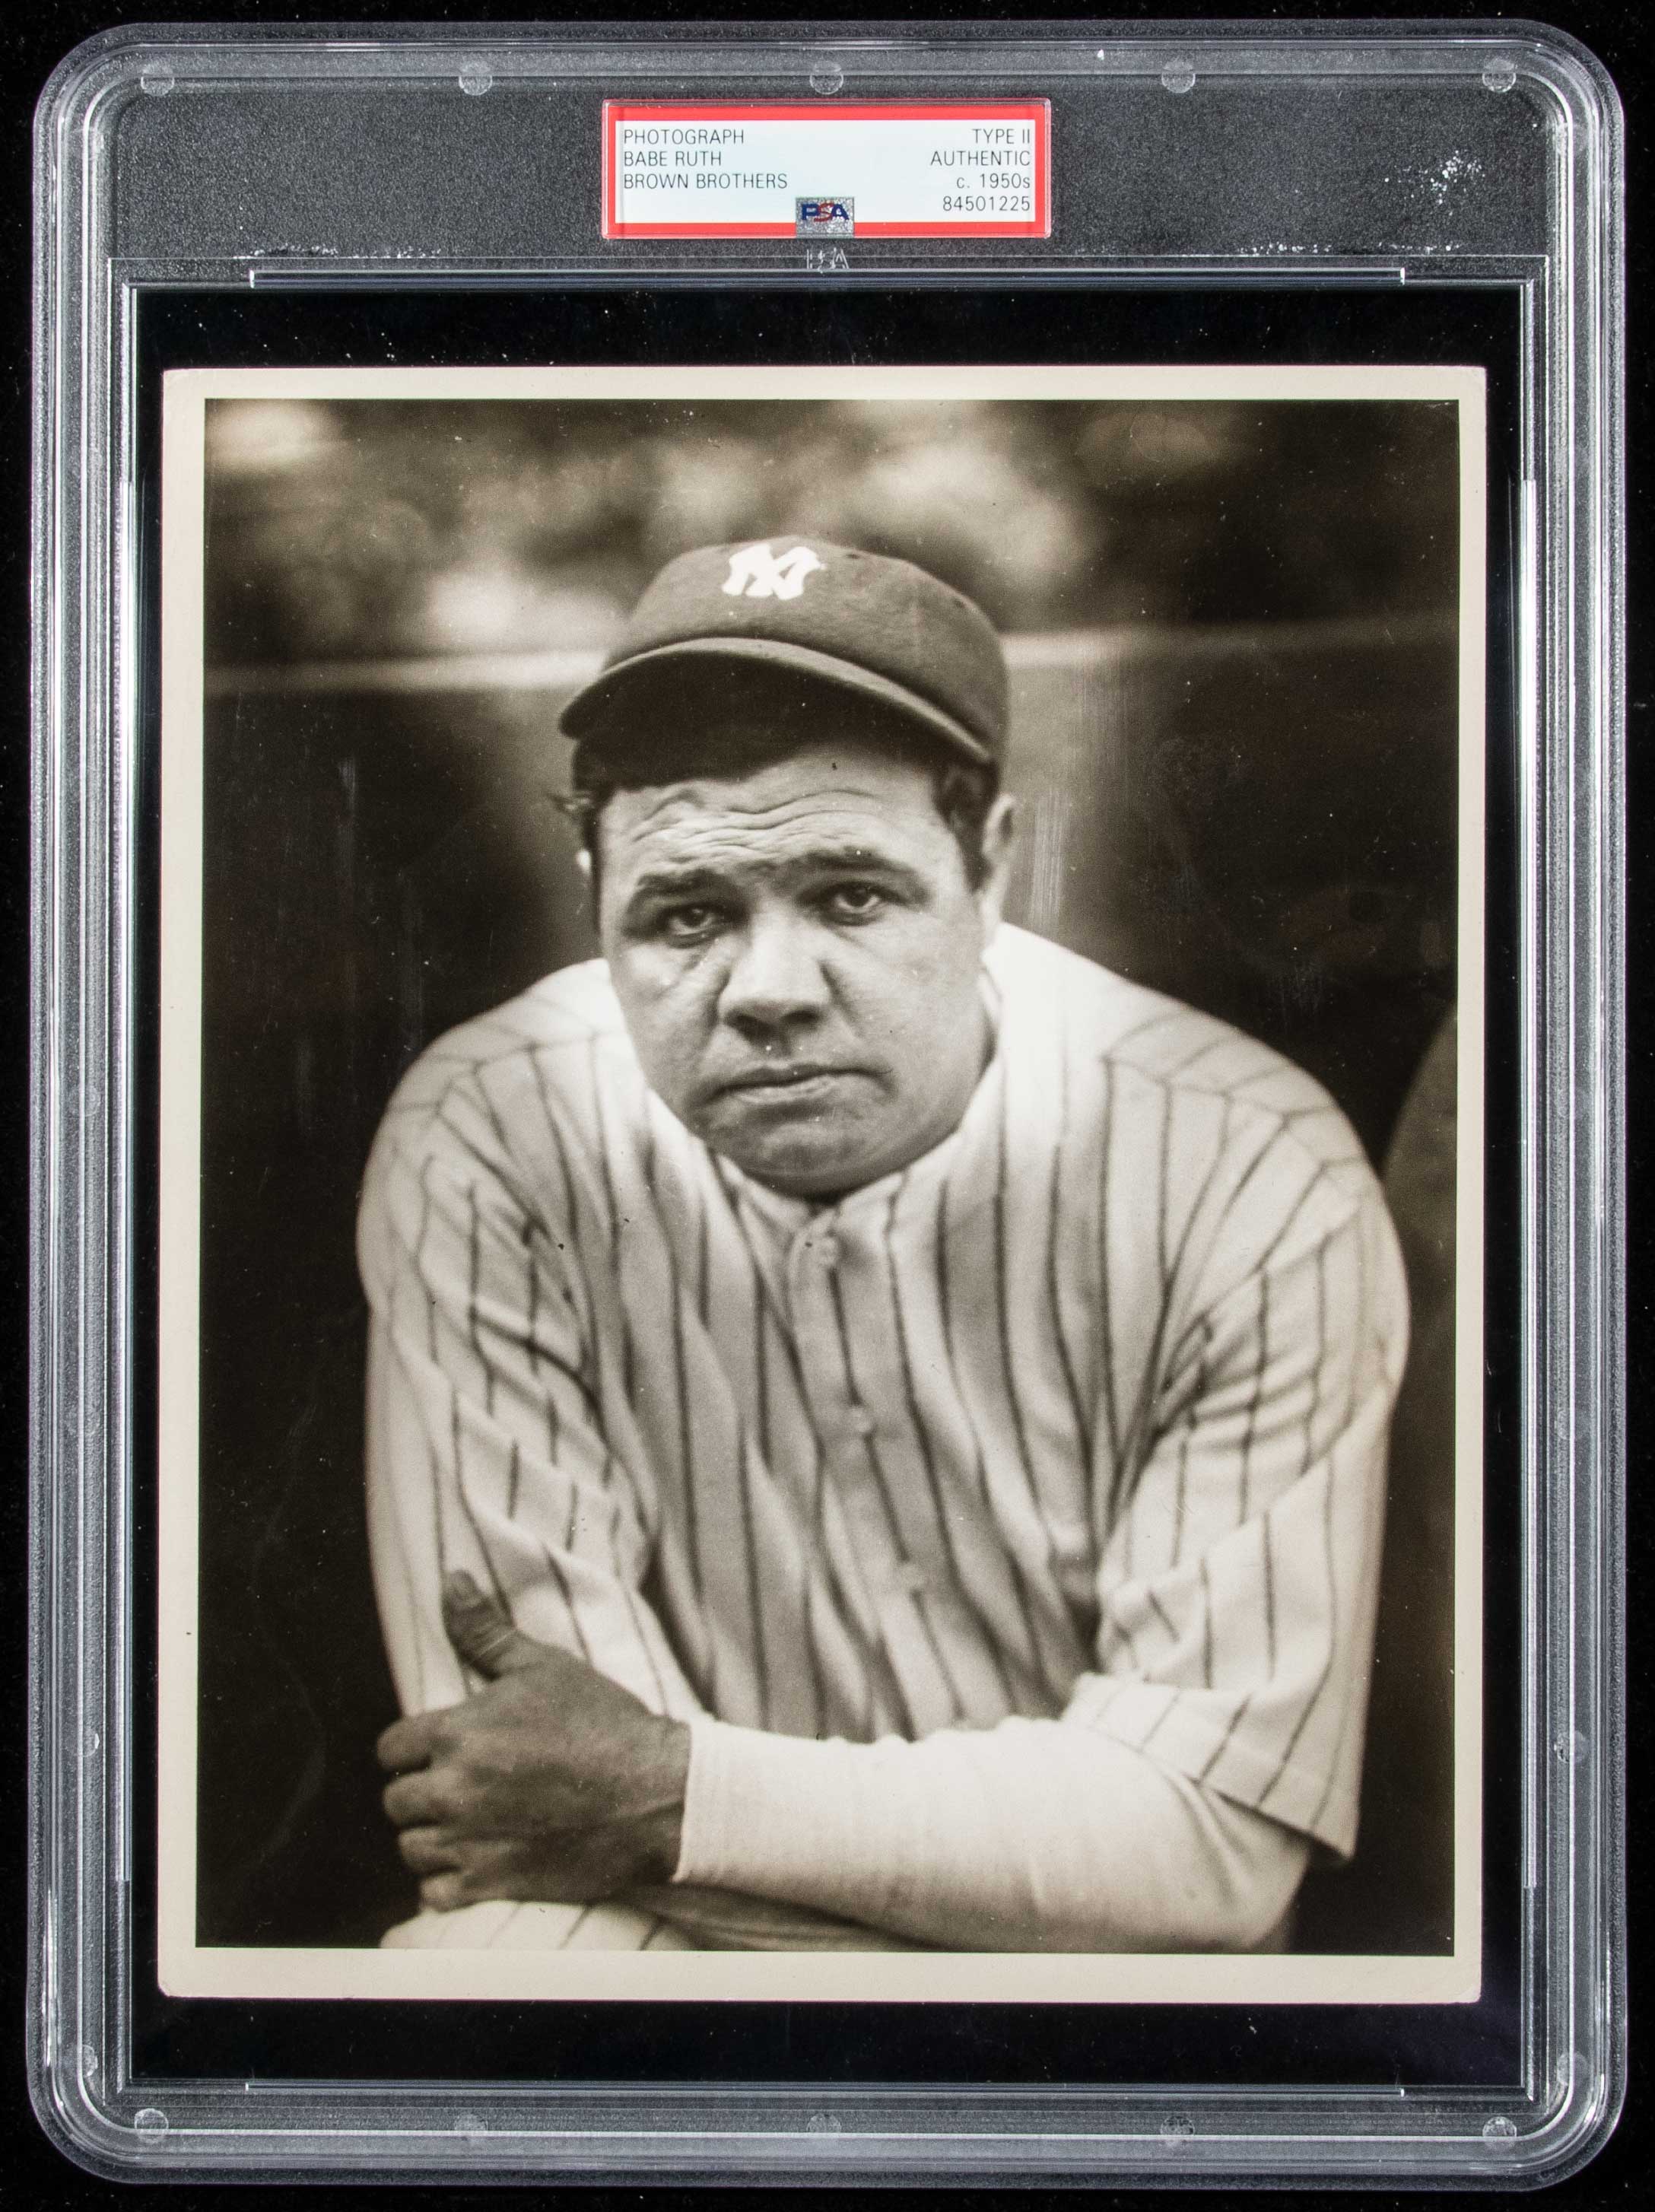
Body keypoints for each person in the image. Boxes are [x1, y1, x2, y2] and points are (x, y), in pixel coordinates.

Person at [359, 538, 1408, 1955]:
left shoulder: (1245, 1164)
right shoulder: (492, 1130)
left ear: (991, 868)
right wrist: (1005, 1872)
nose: (768, 990)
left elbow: (1212, 1855)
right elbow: (527, 1806)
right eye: (687, 915)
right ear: (594, 894)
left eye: (851, 896)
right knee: (484, 1975)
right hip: (675, 1942)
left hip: (1096, 2011)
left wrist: (674, 1798)